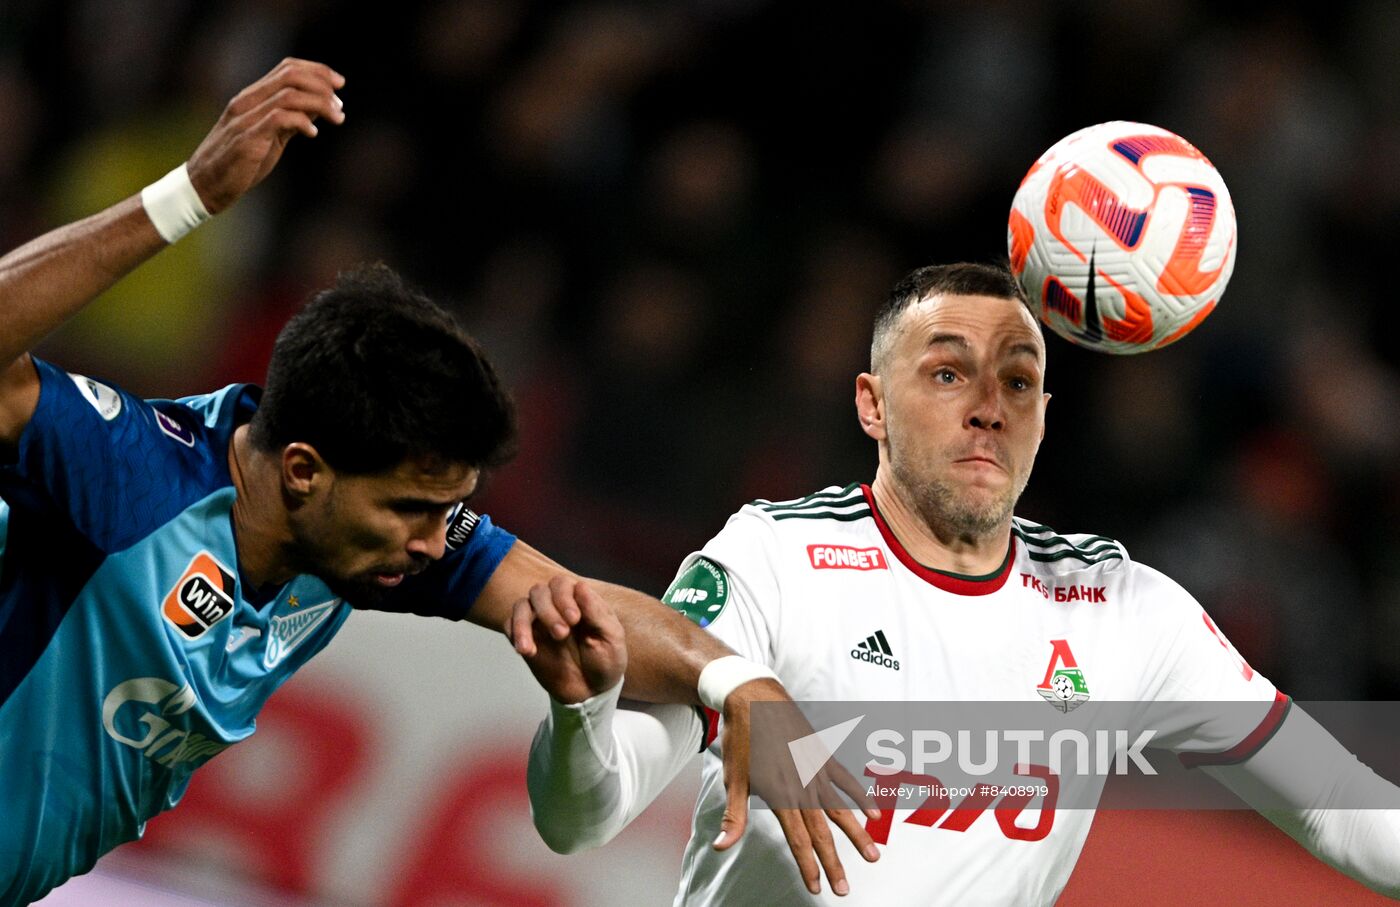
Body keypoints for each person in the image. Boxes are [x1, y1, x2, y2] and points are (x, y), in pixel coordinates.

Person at [0, 58, 864, 906]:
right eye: (413, 509)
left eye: (444, 511)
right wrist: (187, 197)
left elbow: (577, 603)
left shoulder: (372, 541)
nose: (430, 541)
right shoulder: (130, 473)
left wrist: (736, 685)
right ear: (303, 471)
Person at [518, 263, 1400, 903]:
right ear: (871, 404)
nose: (989, 404)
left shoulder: (1126, 611)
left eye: (1019, 380)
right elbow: (582, 816)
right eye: (948, 372)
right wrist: (580, 712)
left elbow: (1341, 807)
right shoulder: (773, 561)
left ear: (1045, 418)